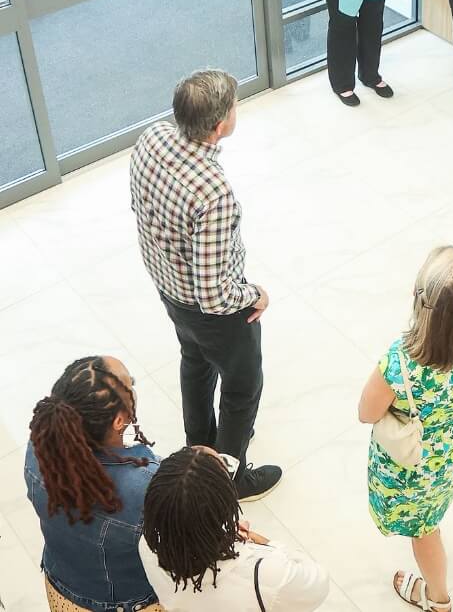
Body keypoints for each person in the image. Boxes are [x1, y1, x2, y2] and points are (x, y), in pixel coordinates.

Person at [130, 70, 280, 501]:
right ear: (220, 126)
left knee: (194, 361)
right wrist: (256, 295)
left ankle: (199, 445)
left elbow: (139, 206)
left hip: (168, 289)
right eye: (234, 106)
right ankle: (228, 479)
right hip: (212, 311)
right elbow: (214, 296)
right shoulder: (213, 192)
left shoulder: (152, 136)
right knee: (241, 386)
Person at [358, 246, 453, 612]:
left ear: (416, 297)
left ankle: (438, 598)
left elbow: (367, 413)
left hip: (414, 467)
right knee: (436, 509)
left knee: (424, 530)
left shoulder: (399, 364)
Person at [25, 355, 162, 612]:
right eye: (130, 385)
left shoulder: (39, 445)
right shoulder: (143, 487)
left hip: (61, 587)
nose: (133, 388)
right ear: (119, 421)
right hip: (123, 602)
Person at [140, 447, 329, 610]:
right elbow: (318, 583)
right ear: (227, 507)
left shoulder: (147, 546)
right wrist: (263, 542)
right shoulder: (266, 576)